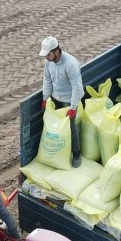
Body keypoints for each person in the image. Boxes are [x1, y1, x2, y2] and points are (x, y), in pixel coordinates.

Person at [39, 35, 83, 168]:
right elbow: (47, 80)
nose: (46, 57)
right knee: (54, 127)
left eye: (48, 54)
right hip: (55, 98)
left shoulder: (71, 64)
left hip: (68, 101)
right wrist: (45, 98)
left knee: (71, 127)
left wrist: (73, 107)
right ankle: (58, 153)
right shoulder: (48, 62)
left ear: (56, 51)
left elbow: (78, 88)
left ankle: (76, 153)